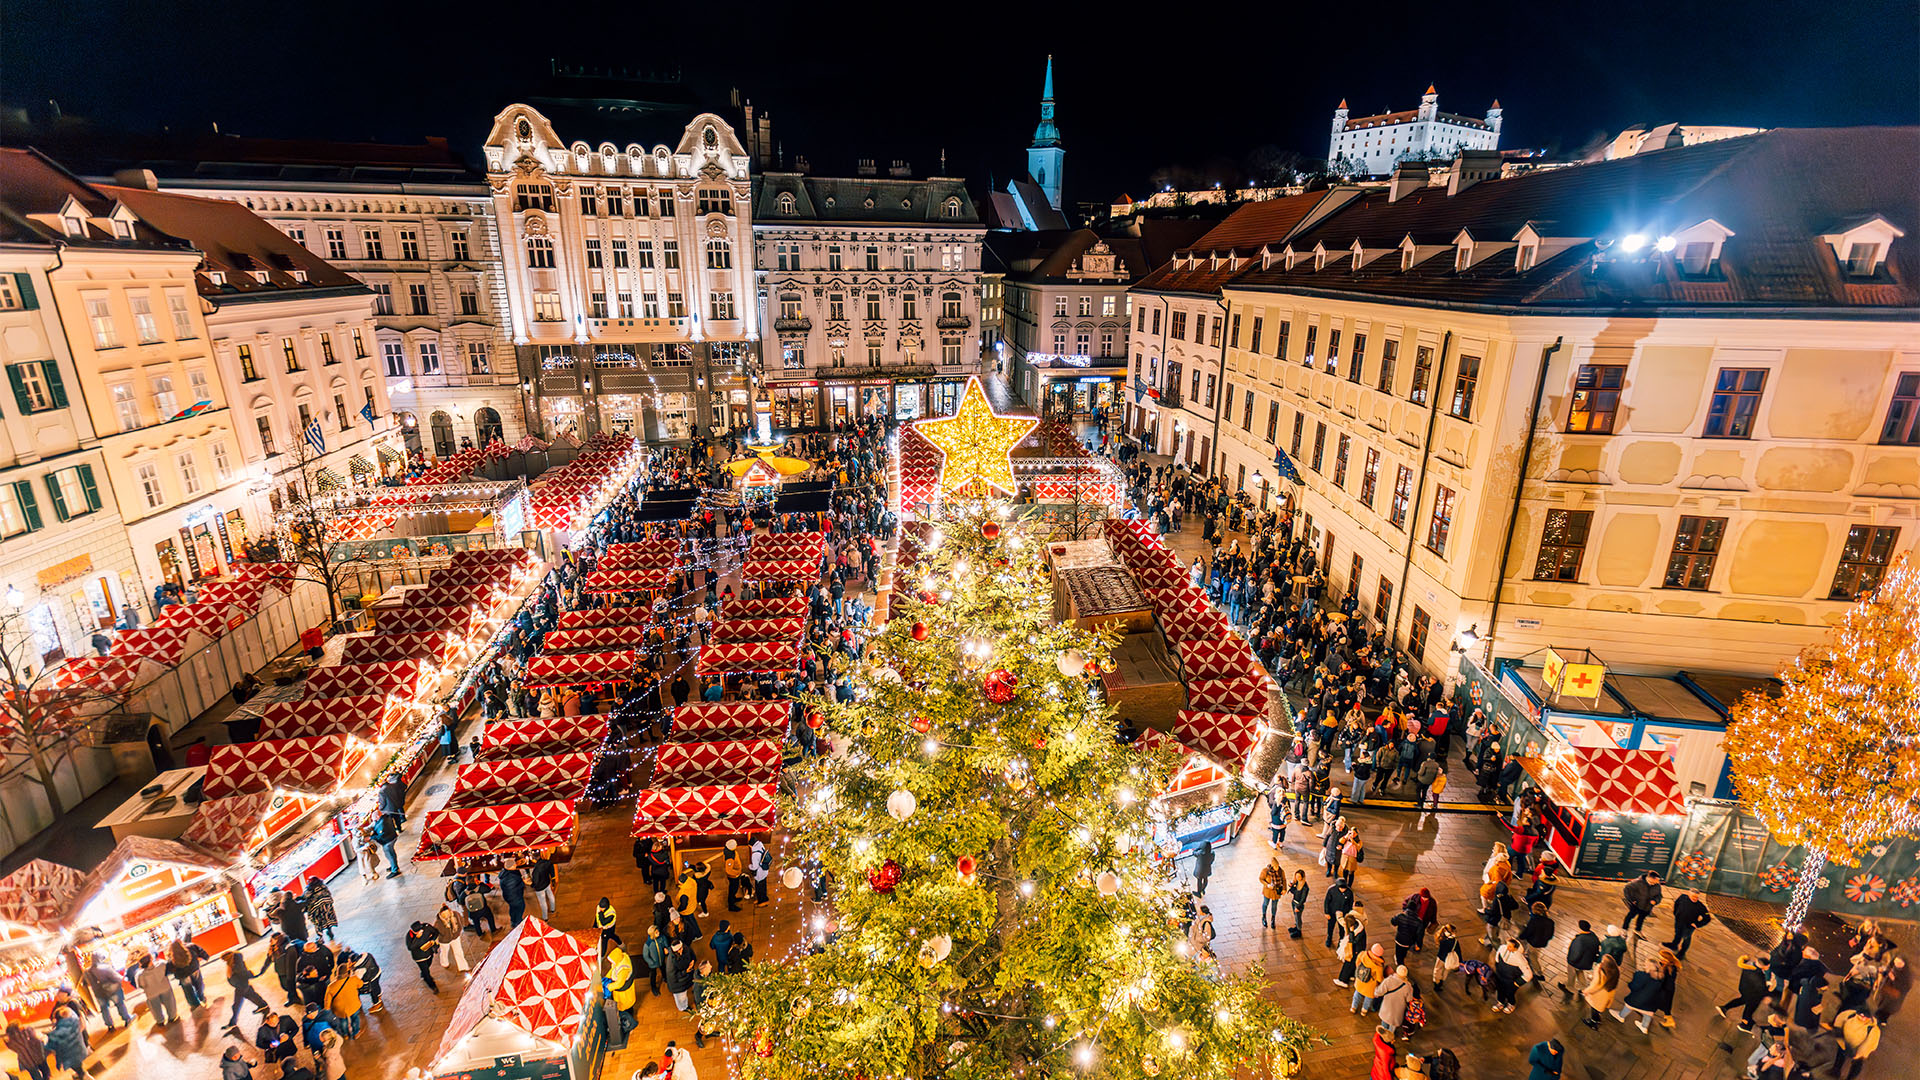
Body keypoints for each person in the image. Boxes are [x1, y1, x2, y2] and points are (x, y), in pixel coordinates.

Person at [224, 950, 273, 1032]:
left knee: (236, 1005)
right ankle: (263, 1005)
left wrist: (251, 975)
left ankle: (232, 1023)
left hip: (241, 986)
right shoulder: (232, 962)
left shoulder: (236, 964)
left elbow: (243, 972)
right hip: (242, 985)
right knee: (251, 995)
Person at [83, 952, 132, 1031]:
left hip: (98, 993)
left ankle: (110, 1025)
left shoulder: (87, 972)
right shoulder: (105, 967)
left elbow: (86, 983)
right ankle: (126, 1019)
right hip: (112, 990)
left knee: (104, 1009)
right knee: (119, 1004)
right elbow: (118, 978)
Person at [1830, 1007, 1879, 1079]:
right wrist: (1841, 1040)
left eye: (1866, 1017)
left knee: (1857, 1065)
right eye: (1861, 1016)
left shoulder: (1873, 1029)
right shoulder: (1849, 1015)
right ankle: (1835, 1071)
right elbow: (1839, 1021)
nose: (1863, 1019)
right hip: (1844, 1043)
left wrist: (1858, 1055)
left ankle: (1850, 1078)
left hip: (1858, 1049)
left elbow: (1869, 1044)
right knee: (1840, 1056)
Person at [1664, 889, 1712, 959]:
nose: (1695, 898)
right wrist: (1676, 913)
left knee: (1686, 938)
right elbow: (1676, 903)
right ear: (1688, 894)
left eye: (1697, 897)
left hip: (1689, 926)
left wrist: (1697, 924)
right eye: (1693, 896)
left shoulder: (1701, 907)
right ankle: (1674, 945)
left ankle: (1682, 953)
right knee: (1677, 934)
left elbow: (1707, 918)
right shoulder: (1682, 897)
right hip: (1679, 921)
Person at [323, 960, 364, 1039]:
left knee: (343, 1021)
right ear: (348, 972)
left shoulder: (331, 986)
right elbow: (361, 984)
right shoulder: (353, 979)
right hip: (353, 1005)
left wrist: (327, 1008)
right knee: (355, 1018)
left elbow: (327, 1000)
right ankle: (356, 1033)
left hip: (340, 1009)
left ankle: (345, 1035)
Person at [135, 952, 178, 1026]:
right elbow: (169, 969)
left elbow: (140, 985)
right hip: (165, 988)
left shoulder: (139, 975)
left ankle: (160, 1021)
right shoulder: (161, 964)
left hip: (151, 993)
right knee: (170, 1003)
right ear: (151, 958)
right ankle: (172, 1017)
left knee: (155, 1008)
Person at [166, 935, 210, 1008]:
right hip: (194, 969)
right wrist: (206, 957)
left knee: (188, 990)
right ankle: (202, 997)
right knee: (199, 984)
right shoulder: (191, 946)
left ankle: (195, 1004)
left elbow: (169, 969)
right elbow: (201, 951)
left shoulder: (171, 956)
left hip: (183, 975)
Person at [1560, 920, 1600, 999]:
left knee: (1572, 973)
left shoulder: (1580, 939)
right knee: (1579, 972)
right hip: (1586, 961)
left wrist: (1571, 961)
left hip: (1577, 962)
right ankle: (1584, 988)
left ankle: (1569, 987)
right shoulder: (1593, 935)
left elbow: (1576, 953)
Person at [1519, 902, 1555, 985]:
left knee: (1533, 957)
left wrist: (1522, 936)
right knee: (1534, 953)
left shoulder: (1534, 921)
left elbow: (1528, 932)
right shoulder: (1550, 922)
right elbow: (1550, 935)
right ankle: (1528, 955)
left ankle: (1539, 973)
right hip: (1542, 943)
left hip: (1534, 943)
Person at [1491, 937, 1531, 1013]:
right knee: (1500, 990)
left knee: (1510, 993)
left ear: (1515, 948)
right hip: (1500, 976)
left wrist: (1517, 983)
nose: (1507, 947)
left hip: (1510, 981)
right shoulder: (1502, 948)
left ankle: (1511, 1004)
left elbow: (1528, 975)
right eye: (1507, 945)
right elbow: (1497, 957)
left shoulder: (1520, 960)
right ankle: (1500, 1002)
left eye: (1510, 946)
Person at [1583, 955, 1624, 1028]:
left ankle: (1593, 1023)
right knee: (1598, 1009)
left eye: (1602, 961)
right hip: (1607, 996)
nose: (1601, 962)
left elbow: (1595, 985)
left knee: (1594, 1009)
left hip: (1598, 996)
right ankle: (1597, 1019)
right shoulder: (1615, 972)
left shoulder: (1601, 973)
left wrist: (1586, 991)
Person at [45, 1007, 85, 1079]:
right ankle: (82, 1075)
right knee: (79, 1068)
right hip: (79, 1050)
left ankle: (85, 1076)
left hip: (71, 1055)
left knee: (80, 1070)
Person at [1375, 966, 1414, 1037]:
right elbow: (1409, 999)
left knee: (1384, 1024)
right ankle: (1389, 1038)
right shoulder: (1408, 986)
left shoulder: (1388, 980)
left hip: (1386, 1009)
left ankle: (1382, 1037)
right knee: (1392, 1027)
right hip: (1397, 1012)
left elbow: (1379, 992)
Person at [1621, 871, 1662, 936]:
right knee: (1630, 917)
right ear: (1650, 878)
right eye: (1656, 880)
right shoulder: (1638, 883)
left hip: (1647, 907)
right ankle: (1624, 929)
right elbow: (1627, 889)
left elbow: (1659, 896)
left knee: (1641, 919)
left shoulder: (1657, 885)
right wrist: (1632, 899)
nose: (1657, 882)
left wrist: (1655, 901)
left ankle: (1637, 930)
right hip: (1636, 906)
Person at [434, 904, 470, 974]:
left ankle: (463, 967)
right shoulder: (438, 923)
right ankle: (444, 963)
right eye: (445, 916)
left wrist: (458, 931)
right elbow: (437, 933)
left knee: (458, 952)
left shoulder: (455, 915)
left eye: (448, 914)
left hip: (455, 937)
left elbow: (461, 922)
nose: (448, 917)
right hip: (445, 941)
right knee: (444, 952)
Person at [1352, 943, 1387, 1013]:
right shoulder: (1378, 966)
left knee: (1357, 993)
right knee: (1368, 998)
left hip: (1360, 980)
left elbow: (1357, 962)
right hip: (1370, 985)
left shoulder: (1363, 954)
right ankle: (1364, 1010)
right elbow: (1379, 978)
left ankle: (1353, 1007)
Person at [406, 921, 440, 992]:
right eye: (419, 931)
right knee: (426, 972)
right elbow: (410, 947)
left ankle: (423, 973)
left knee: (429, 964)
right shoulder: (409, 936)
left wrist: (432, 940)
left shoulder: (426, 927)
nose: (422, 931)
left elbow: (436, 932)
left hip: (429, 953)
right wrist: (417, 938)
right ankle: (432, 985)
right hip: (420, 957)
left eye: (421, 929)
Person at [1324, 877, 1354, 949]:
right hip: (1332, 913)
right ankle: (1329, 938)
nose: (1343, 890)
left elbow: (1351, 904)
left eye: (1344, 888)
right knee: (1330, 926)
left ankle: (1341, 940)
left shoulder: (1349, 892)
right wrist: (1326, 912)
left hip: (1343, 914)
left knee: (1342, 929)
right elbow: (1327, 901)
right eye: (1341, 888)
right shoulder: (1331, 890)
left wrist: (1348, 914)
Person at [1429, 925, 1458, 994]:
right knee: (1446, 970)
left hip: (1441, 957)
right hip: (1449, 959)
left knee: (1438, 969)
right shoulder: (1454, 941)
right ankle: (1442, 980)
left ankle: (1436, 982)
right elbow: (1457, 950)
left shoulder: (1442, 939)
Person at [1259, 857, 1284, 928]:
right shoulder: (1266, 871)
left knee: (1274, 906)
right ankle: (1264, 917)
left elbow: (1284, 880)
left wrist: (1284, 889)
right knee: (1265, 903)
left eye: (1277, 866)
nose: (1277, 868)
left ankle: (1273, 919)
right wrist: (1267, 885)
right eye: (1275, 866)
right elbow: (1261, 879)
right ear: (1272, 866)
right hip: (1268, 891)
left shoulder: (1280, 871)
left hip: (1276, 892)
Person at [1287, 870, 1311, 938]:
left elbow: (1303, 899)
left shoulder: (1305, 887)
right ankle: (1296, 927)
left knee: (1298, 917)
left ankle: (1299, 931)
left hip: (1298, 904)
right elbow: (1294, 892)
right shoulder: (1297, 883)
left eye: (1299, 876)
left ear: (1302, 877)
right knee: (1295, 916)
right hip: (1294, 902)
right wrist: (1291, 886)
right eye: (1296, 876)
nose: (1297, 878)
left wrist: (1298, 907)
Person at [722, 840, 745, 911]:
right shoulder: (730, 857)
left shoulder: (729, 852)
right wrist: (737, 873)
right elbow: (728, 870)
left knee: (734, 889)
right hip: (733, 877)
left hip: (734, 875)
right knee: (733, 890)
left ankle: (733, 898)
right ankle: (731, 905)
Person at [749, 838, 771, 904]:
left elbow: (755, 867)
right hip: (764, 871)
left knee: (759, 888)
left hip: (759, 874)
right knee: (763, 886)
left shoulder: (755, 854)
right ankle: (764, 898)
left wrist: (750, 866)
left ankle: (762, 901)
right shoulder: (761, 846)